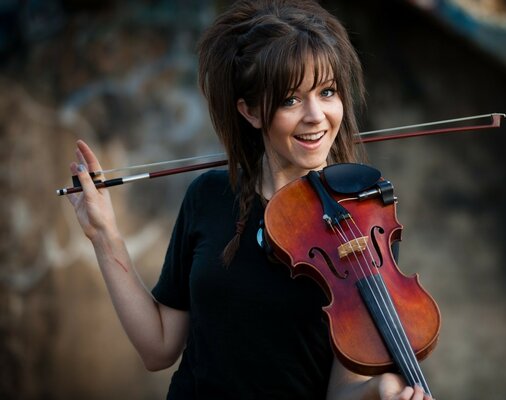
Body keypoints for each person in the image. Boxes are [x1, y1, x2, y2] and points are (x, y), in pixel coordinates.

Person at [67, 0, 434, 399]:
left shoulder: (362, 215)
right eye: (291, 99)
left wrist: (379, 389)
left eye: (327, 92)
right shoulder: (208, 196)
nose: (316, 115)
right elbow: (158, 348)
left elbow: (340, 390)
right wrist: (104, 235)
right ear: (252, 111)